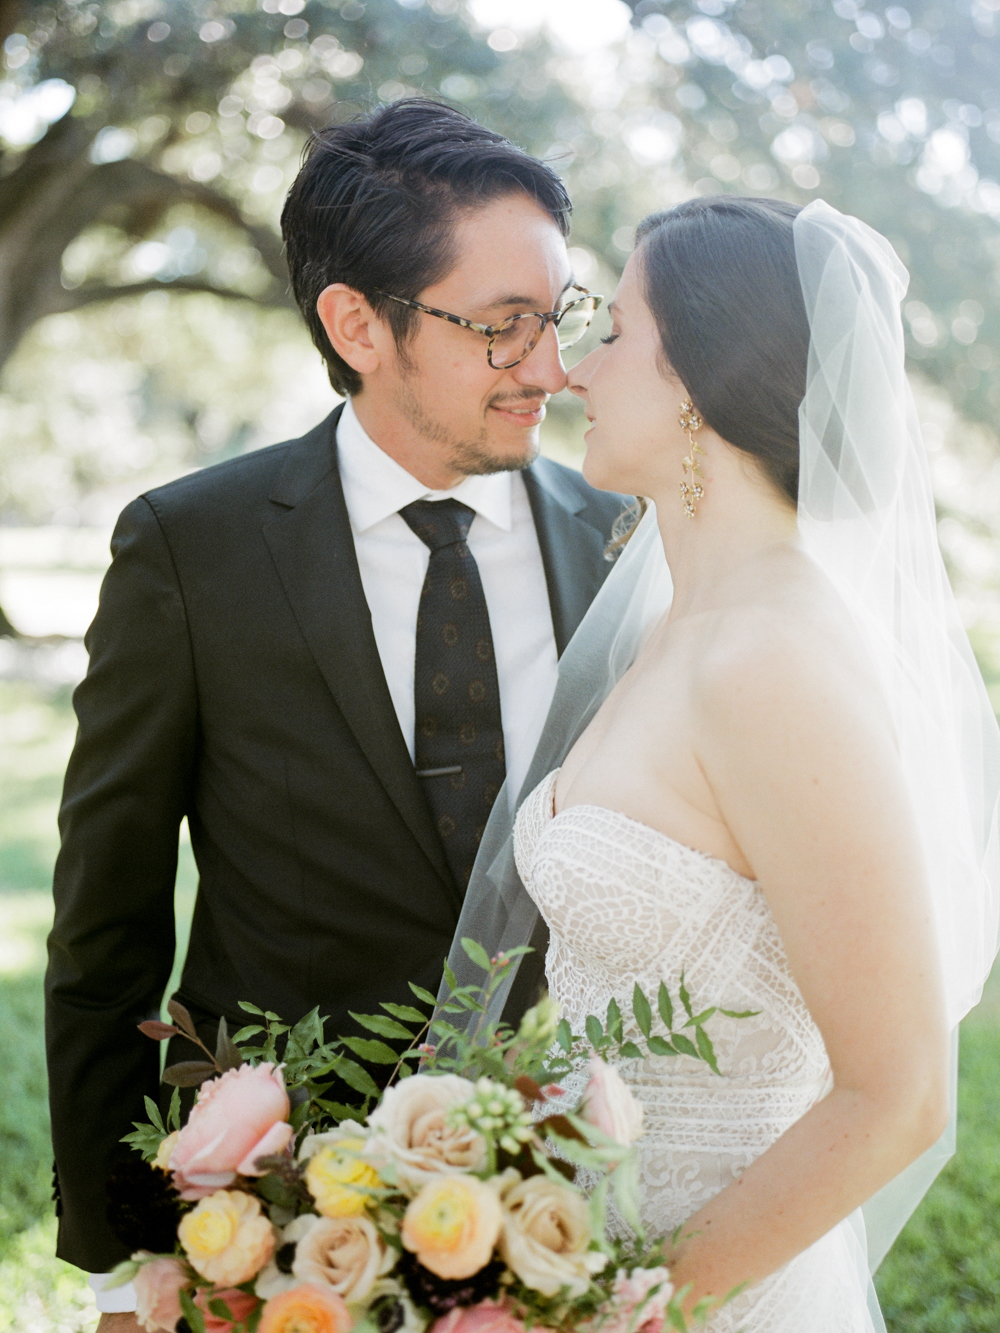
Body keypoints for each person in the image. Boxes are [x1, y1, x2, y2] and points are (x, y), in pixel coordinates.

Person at [44, 99, 624, 1330]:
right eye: (501, 326)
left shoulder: (623, 542)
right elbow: (107, 933)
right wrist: (117, 1257)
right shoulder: (190, 550)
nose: (551, 366)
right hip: (276, 1221)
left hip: (576, 1207)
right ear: (358, 323)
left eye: (558, 315)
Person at [452, 196, 1000, 1330]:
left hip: (717, 1291)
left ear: (698, 379)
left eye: (611, 333)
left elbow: (895, 1096)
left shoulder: (776, 660)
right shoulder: (678, 626)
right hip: (587, 1243)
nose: (570, 370)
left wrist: (623, 1306)